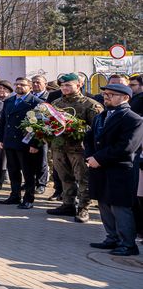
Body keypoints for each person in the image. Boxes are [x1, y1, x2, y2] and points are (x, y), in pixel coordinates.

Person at [86, 82, 143, 256]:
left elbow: (126, 147)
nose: (106, 96)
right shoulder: (100, 116)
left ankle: (127, 244)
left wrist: (98, 158)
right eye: (105, 93)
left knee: (120, 207)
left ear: (125, 98)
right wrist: (89, 156)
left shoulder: (134, 119)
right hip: (99, 168)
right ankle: (112, 238)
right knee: (103, 203)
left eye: (111, 94)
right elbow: (89, 138)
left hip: (120, 170)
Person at [45, 73, 103, 222]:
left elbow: (98, 129)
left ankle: (83, 209)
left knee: (83, 179)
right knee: (64, 177)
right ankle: (68, 204)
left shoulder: (91, 105)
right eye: (63, 86)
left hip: (79, 149)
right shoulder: (56, 103)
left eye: (68, 85)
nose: (65, 88)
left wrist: (77, 129)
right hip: (59, 148)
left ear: (79, 86)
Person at [0, 76, 43, 209]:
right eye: (17, 84)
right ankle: (15, 195)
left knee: (28, 173)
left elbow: (40, 126)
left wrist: (35, 144)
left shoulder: (36, 102)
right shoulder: (9, 101)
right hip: (10, 142)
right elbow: (3, 122)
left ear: (29, 87)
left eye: (22, 85)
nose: (18, 87)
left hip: (26, 144)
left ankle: (28, 199)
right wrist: (0, 139)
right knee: (13, 171)